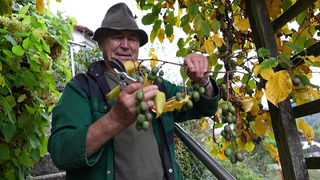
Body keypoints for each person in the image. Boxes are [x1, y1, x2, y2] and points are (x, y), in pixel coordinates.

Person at [48, 3, 219, 180]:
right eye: (117, 37)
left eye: (132, 39)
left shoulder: (155, 84)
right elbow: (61, 152)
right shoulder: (81, 88)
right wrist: (113, 121)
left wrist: (202, 79)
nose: (125, 45)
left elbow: (203, 106)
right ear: (100, 42)